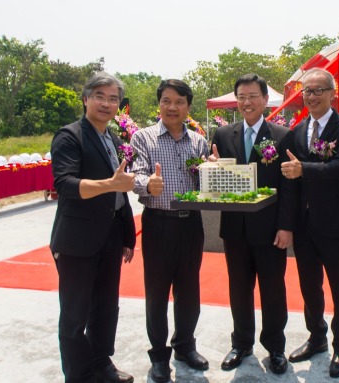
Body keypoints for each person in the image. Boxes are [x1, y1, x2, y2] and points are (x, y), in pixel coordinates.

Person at [50, 71, 136, 383]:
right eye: (100, 96)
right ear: (85, 99)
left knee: (106, 307)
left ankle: (102, 363)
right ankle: (79, 374)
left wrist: (126, 233)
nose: (106, 103)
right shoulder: (69, 136)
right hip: (77, 241)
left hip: (110, 236)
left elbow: (120, 191)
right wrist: (109, 184)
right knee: (74, 314)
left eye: (113, 99)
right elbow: (66, 184)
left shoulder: (112, 139)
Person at [208, 74, 298, 375]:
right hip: (234, 230)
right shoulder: (222, 135)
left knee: (273, 290)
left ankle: (275, 348)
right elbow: (218, 178)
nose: (247, 102)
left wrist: (286, 227)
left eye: (253, 96)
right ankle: (242, 343)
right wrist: (210, 168)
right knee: (239, 289)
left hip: (272, 230)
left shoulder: (283, 135)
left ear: (264, 99)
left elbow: (290, 188)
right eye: (242, 97)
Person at [281, 68, 339, 378]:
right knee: (309, 285)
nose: (311, 96)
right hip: (303, 224)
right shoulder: (298, 130)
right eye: (306, 91)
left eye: (317, 90)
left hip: (333, 222)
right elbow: (289, 177)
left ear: (332, 94)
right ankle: (316, 337)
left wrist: (304, 169)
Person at [130, 79, 210, 382]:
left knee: (189, 290)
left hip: (192, 224)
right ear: (159, 104)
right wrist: (147, 183)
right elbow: (135, 175)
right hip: (158, 222)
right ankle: (159, 355)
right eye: (166, 101)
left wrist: (213, 170)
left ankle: (185, 346)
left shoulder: (198, 141)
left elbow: (203, 184)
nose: (172, 107)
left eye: (179, 101)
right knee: (157, 292)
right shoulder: (143, 138)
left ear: (188, 106)